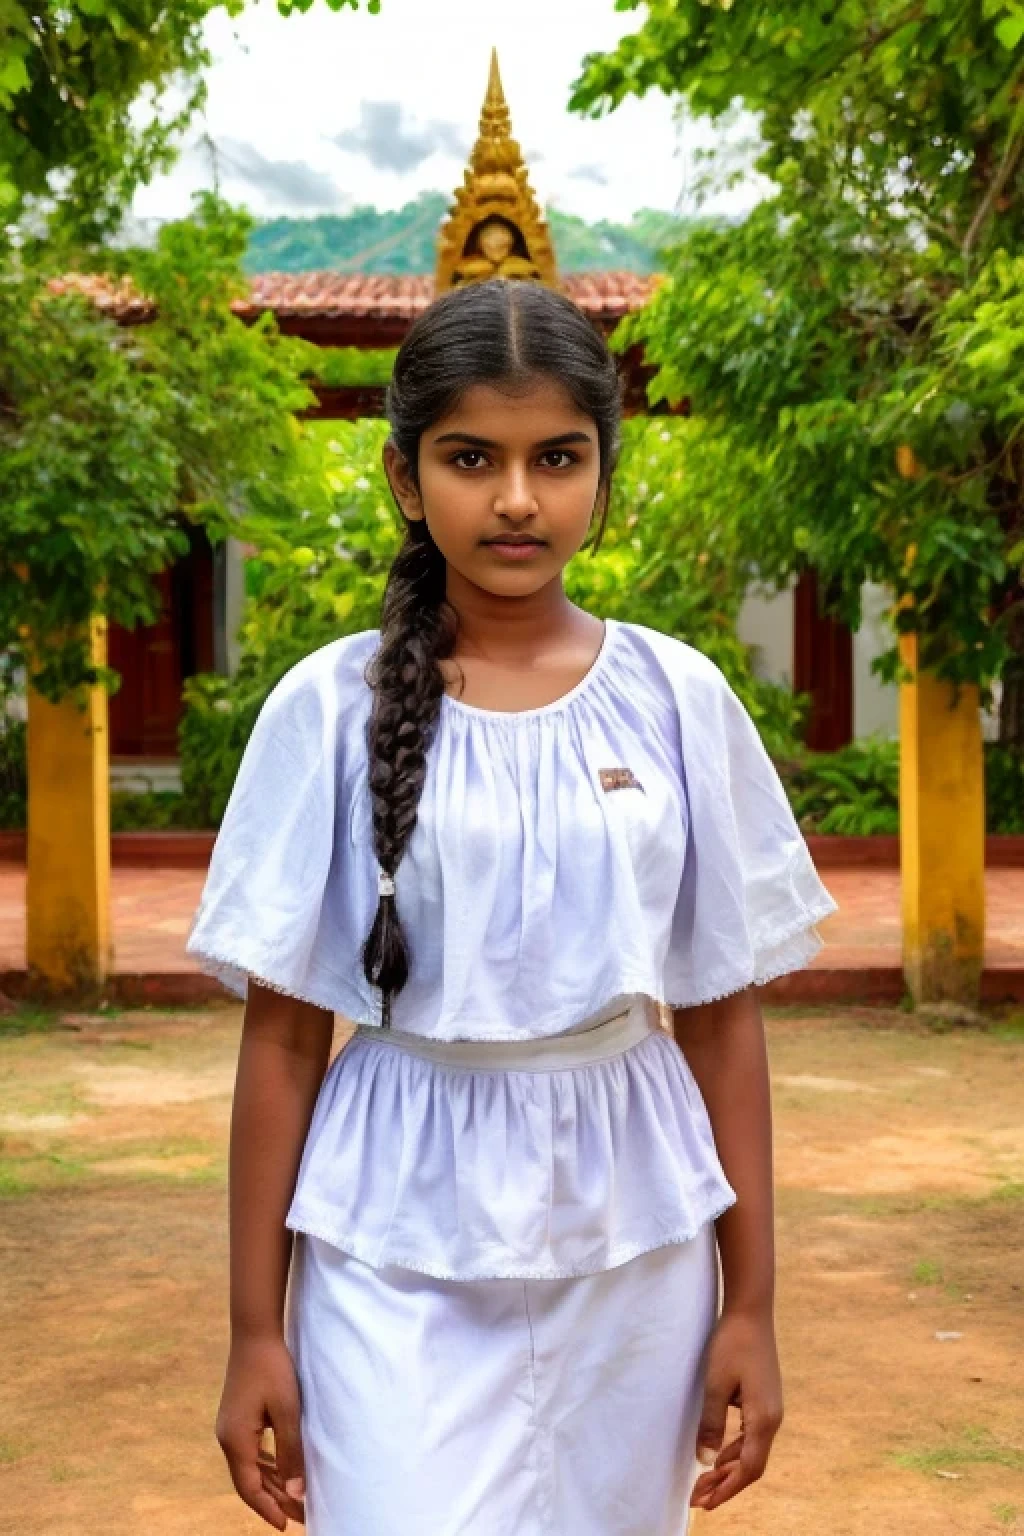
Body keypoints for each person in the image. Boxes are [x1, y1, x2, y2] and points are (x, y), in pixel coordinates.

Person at [186, 277, 838, 1535]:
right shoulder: (327, 710)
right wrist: (252, 1331)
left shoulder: (677, 699)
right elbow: (280, 1038)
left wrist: (749, 1305)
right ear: (402, 473)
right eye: (470, 458)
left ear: (604, 470)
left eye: (558, 457)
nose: (518, 498)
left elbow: (717, 1018)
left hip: (627, 1225)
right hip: (390, 1223)